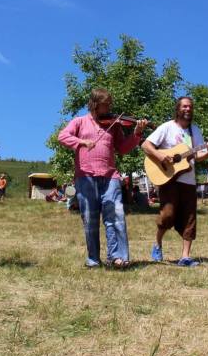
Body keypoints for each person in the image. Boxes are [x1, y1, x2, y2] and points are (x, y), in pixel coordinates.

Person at [58, 88, 147, 269]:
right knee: (90, 219)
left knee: (116, 215)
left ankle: (117, 257)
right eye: (105, 105)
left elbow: (122, 148)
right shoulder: (79, 122)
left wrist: (136, 134)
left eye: (109, 105)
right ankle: (93, 259)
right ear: (94, 105)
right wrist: (81, 142)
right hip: (86, 176)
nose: (108, 109)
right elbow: (62, 136)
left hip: (110, 176)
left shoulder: (114, 125)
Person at [142, 97, 208, 268]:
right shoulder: (167, 127)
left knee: (190, 218)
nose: (188, 109)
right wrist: (161, 156)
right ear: (178, 109)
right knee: (167, 216)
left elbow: (198, 156)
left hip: (188, 181)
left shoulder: (195, 130)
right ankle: (157, 243)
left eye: (190, 107)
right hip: (168, 179)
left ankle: (185, 257)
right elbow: (146, 145)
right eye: (184, 106)